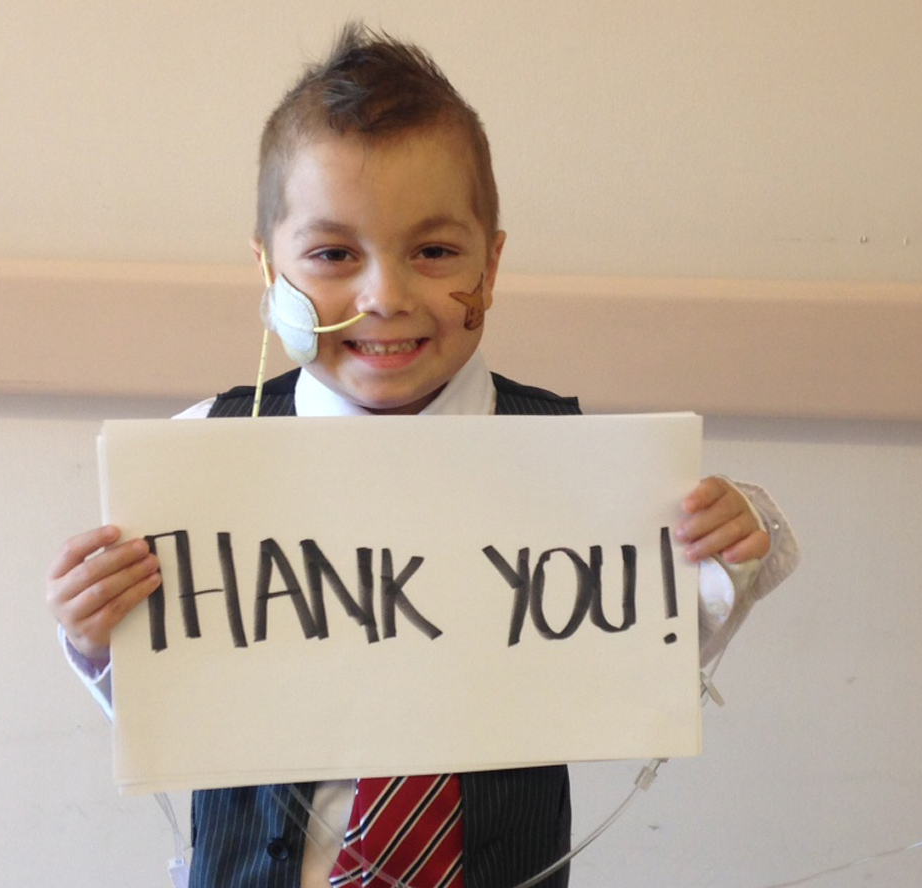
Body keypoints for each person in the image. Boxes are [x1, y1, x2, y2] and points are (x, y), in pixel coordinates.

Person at [45, 23, 799, 888]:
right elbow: (169, 693)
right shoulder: (195, 462)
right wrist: (98, 636)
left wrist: (727, 546)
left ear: (494, 261)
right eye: (333, 254)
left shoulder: (575, 461)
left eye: (434, 252)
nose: (384, 297)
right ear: (269, 272)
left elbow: (646, 649)